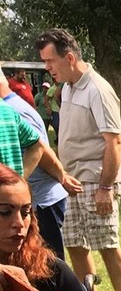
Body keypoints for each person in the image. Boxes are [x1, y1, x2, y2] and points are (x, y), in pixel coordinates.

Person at [35, 28, 121, 291]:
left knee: (106, 243)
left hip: (98, 180)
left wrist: (105, 187)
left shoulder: (98, 89)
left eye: (50, 61)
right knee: (75, 244)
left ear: (69, 58)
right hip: (74, 181)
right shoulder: (67, 88)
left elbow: (114, 141)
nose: (48, 68)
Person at [4, 69, 76, 257]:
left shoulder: (13, 110)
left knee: (47, 266)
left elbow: (40, 148)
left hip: (42, 203)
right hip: (29, 202)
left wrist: (62, 177)